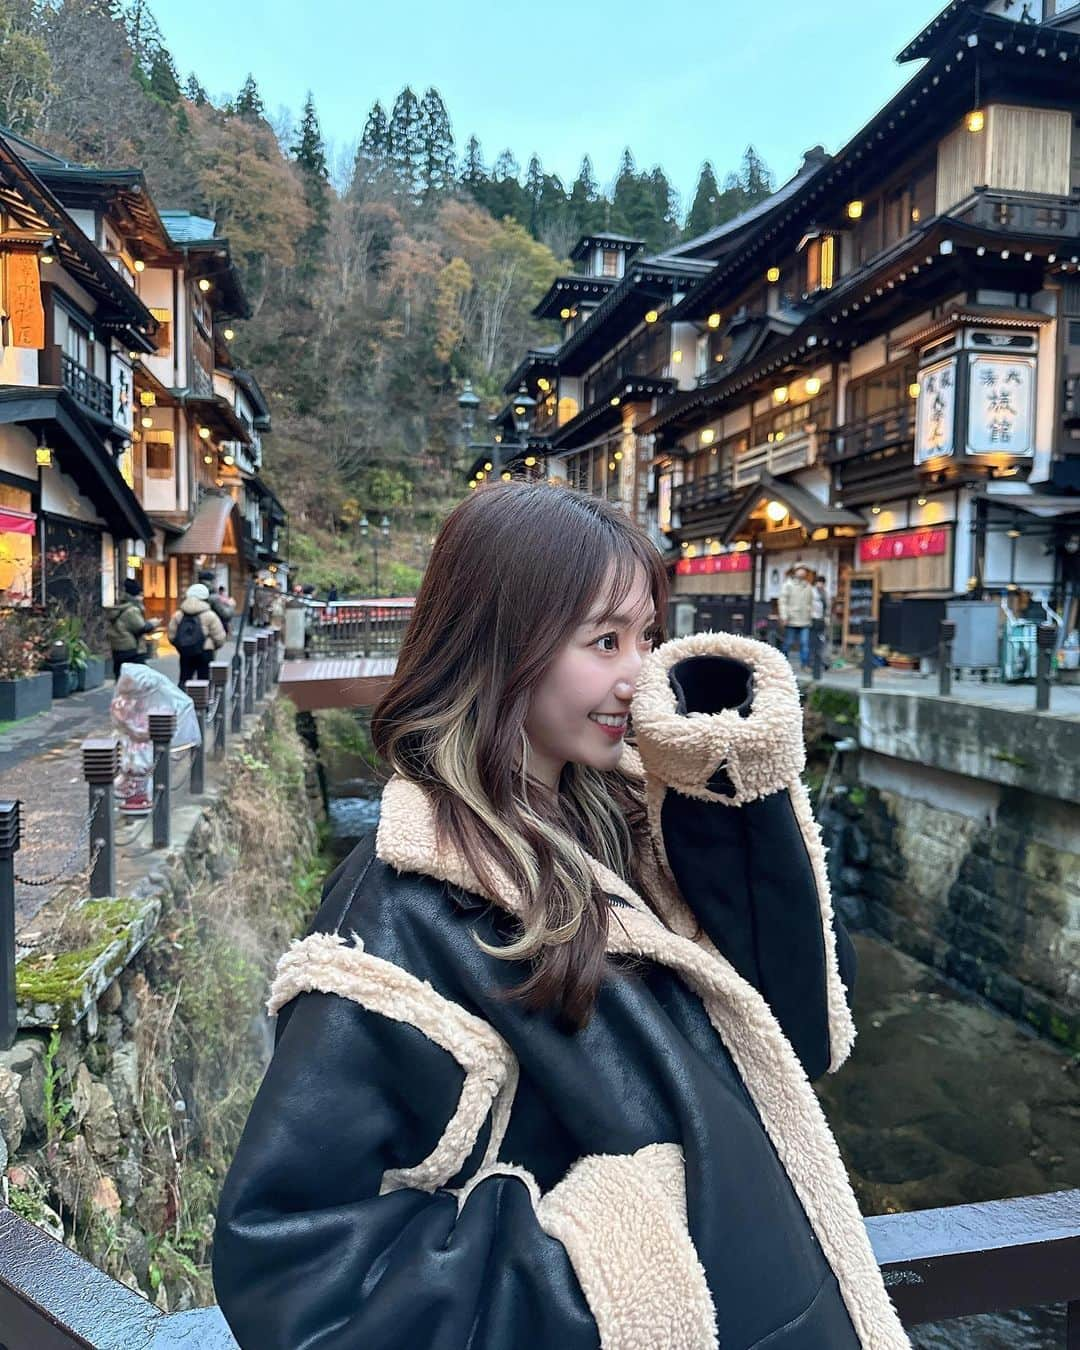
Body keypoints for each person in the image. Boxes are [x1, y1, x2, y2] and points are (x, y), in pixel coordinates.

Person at [212, 484, 908, 1350]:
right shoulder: (407, 908)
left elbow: (789, 1039)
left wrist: (730, 802)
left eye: (648, 637)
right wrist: (614, 1252)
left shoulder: (627, 827)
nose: (639, 675)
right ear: (504, 647)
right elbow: (292, 1274)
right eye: (604, 641)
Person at [168, 582, 226, 686]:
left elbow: (171, 636)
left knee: (184, 679)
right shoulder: (210, 615)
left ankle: (183, 700)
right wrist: (213, 646)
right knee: (204, 681)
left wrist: (182, 646)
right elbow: (220, 637)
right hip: (205, 651)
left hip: (185, 652)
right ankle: (202, 702)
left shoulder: (178, 614)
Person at [105, 578, 157, 680]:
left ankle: (121, 694)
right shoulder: (132, 610)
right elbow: (140, 627)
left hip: (118, 647)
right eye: (140, 595)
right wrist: (152, 623)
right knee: (140, 676)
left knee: (121, 676)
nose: (142, 598)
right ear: (135, 595)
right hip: (131, 648)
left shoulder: (121, 606)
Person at [779, 563, 814, 670]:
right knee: (788, 643)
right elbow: (783, 601)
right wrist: (784, 616)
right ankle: (782, 664)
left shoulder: (808, 586)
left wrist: (811, 614)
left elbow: (811, 602)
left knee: (805, 643)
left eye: (804, 569)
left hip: (805, 619)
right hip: (791, 618)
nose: (802, 571)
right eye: (800, 569)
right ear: (795, 571)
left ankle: (804, 664)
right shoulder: (788, 585)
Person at [198, 570, 236, 635]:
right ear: (211, 581)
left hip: (199, 629)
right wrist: (231, 605)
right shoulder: (214, 597)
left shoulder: (196, 594)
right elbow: (226, 615)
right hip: (214, 629)